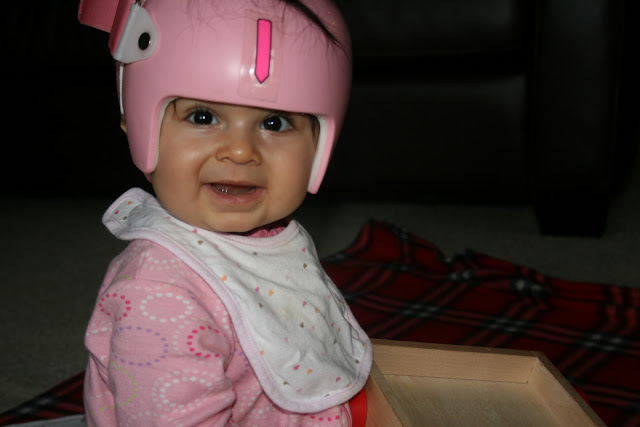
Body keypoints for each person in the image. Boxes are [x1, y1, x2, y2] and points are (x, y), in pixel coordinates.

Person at [78, 0, 372, 425]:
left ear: (321, 144)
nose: (239, 151)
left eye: (274, 123)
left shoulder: (272, 237)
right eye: (203, 117)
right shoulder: (158, 292)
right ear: (140, 124)